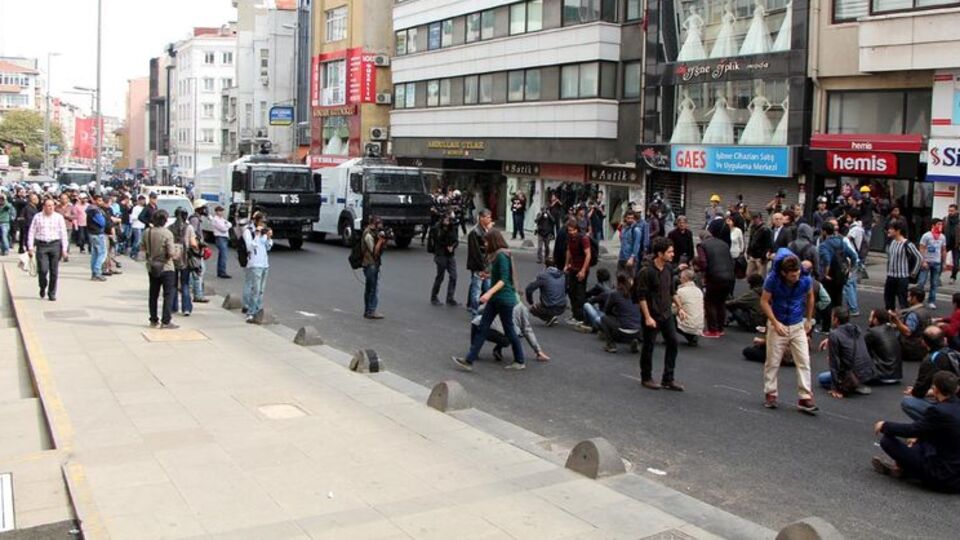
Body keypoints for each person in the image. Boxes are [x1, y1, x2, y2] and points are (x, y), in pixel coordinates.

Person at [872, 371, 960, 493]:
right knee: (918, 441)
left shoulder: (939, 411)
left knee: (887, 441)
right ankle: (905, 468)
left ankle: (905, 469)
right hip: (956, 474)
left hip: (942, 476)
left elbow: (911, 430)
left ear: (935, 389)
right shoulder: (954, 407)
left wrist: (884, 425)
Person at [453, 230, 526, 371]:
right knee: (483, 328)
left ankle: (520, 360)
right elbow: (498, 276)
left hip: (504, 299)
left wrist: (488, 293)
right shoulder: (497, 255)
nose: (485, 244)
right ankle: (469, 360)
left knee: (509, 330)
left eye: (486, 242)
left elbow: (504, 280)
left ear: (493, 241)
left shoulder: (501, 256)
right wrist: (487, 276)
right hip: (496, 299)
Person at [760, 249, 817, 413]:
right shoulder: (772, 279)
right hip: (779, 322)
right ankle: (771, 393)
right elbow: (764, 301)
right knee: (773, 361)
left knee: (804, 360)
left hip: (797, 323)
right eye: (793, 275)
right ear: (784, 273)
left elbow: (810, 296)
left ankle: (805, 397)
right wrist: (775, 323)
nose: (796, 277)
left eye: (798, 273)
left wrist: (808, 320)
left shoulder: (805, 279)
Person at [636, 237, 683, 391]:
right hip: (652, 314)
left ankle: (668, 378)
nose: (672, 254)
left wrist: (680, 307)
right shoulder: (646, 271)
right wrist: (648, 317)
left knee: (673, 343)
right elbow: (641, 296)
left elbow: (671, 291)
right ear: (660, 253)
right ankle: (646, 377)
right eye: (669, 252)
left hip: (666, 313)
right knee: (649, 346)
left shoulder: (669, 269)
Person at [900, 326, 960, 421]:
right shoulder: (955, 353)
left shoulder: (931, 360)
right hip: (955, 398)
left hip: (954, 408)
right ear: (944, 339)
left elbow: (919, 391)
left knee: (908, 402)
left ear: (924, 342)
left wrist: (914, 391)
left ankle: (933, 428)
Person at [816, 307, 877, 397]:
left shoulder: (834, 334)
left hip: (852, 373)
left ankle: (848, 384)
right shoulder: (856, 329)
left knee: (821, 378)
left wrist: (835, 387)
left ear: (836, 319)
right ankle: (855, 382)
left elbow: (834, 363)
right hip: (867, 373)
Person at [470, 302, 550, 363]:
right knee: (517, 332)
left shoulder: (496, 297)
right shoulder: (522, 308)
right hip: (503, 335)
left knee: (477, 322)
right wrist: (538, 351)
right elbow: (527, 330)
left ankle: (474, 351)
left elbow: (480, 309)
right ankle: (498, 349)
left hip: (481, 328)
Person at [26, 198, 70, 301]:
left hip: (55, 245)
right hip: (42, 245)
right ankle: (42, 286)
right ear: (44, 207)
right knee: (43, 270)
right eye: (48, 206)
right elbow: (31, 232)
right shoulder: (38, 217)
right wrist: (30, 247)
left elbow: (63, 233)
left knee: (54, 271)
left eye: (52, 206)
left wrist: (64, 249)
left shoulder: (58, 217)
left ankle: (52, 293)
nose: (50, 208)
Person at [695, 228, 735, 338]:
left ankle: (713, 330)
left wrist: (701, 272)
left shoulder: (702, 245)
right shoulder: (724, 244)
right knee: (721, 302)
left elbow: (703, 262)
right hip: (729, 277)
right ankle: (720, 328)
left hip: (715, 277)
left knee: (710, 302)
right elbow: (731, 260)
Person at [142, 210, 178, 329]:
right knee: (168, 294)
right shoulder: (167, 233)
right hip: (166, 266)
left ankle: (153, 319)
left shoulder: (147, 232)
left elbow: (143, 248)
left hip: (152, 265)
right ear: (165, 220)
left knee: (153, 293)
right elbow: (171, 252)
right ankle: (166, 320)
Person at [818, 221, 858, 318]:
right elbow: (853, 256)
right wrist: (850, 269)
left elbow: (827, 260)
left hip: (830, 275)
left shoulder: (824, 245)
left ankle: (827, 321)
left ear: (824, 231)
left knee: (826, 298)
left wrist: (826, 274)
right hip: (840, 274)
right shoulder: (841, 241)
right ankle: (839, 318)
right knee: (838, 297)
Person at [594, 274, 643, 353]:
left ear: (618, 282)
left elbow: (607, 310)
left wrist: (615, 313)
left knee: (604, 318)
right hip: (637, 329)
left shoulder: (615, 294)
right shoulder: (636, 294)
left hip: (622, 329)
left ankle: (611, 345)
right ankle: (636, 340)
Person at [242, 211, 273, 323]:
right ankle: (250, 313)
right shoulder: (248, 231)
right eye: (261, 222)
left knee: (261, 291)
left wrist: (268, 237)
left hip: (264, 264)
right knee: (255, 290)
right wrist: (257, 234)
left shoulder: (264, 232)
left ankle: (258, 310)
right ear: (256, 221)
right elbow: (250, 247)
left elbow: (268, 247)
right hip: (254, 264)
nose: (263, 225)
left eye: (265, 222)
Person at [884, 220, 921, 311]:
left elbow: (919, 257)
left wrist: (913, 272)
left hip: (902, 277)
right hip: (890, 276)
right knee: (888, 300)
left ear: (898, 230)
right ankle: (890, 319)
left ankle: (904, 321)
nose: (889, 230)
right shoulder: (892, 243)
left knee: (903, 301)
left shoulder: (907, 244)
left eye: (892, 229)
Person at [890, 287, 931, 364]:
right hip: (923, 348)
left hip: (910, 350)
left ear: (914, 298)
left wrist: (896, 321)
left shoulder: (913, 314)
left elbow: (908, 332)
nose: (907, 298)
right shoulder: (926, 311)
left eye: (909, 296)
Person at [168, 208, 197, 317]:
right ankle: (186, 308)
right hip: (185, 259)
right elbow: (193, 243)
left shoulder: (170, 228)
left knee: (173, 284)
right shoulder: (189, 228)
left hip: (172, 259)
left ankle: (173, 306)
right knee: (185, 284)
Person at [564, 219, 592, 324]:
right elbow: (568, 251)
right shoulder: (570, 238)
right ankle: (575, 314)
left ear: (577, 230)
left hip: (581, 269)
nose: (571, 232)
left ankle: (581, 317)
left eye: (572, 230)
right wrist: (566, 265)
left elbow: (588, 255)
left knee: (580, 294)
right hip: (573, 268)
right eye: (569, 231)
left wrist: (583, 270)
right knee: (571, 292)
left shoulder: (583, 238)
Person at [864, 309, 903, 384]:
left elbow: (863, 352)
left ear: (875, 319)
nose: (869, 319)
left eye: (871, 317)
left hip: (881, 375)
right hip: (896, 375)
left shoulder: (872, 332)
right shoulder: (892, 330)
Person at [525, 258, 567, 326]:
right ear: (555, 265)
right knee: (541, 304)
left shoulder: (543, 276)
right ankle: (552, 316)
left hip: (550, 306)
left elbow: (529, 289)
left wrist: (531, 302)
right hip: (562, 306)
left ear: (545, 265)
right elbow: (566, 289)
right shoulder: (562, 274)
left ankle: (550, 317)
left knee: (533, 309)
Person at [466, 209, 492, 315]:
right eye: (488, 217)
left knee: (487, 288)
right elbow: (476, 252)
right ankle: (475, 310)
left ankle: (483, 308)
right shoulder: (475, 232)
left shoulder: (487, 230)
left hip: (487, 265)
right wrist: (483, 267)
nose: (490, 219)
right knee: (476, 288)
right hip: (479, 266)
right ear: (481, 218)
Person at [918, 218, 948, 310]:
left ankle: (931, 301)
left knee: (934, 283)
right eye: (938, 224)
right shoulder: (926, 236)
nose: (940, 226)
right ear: (933, 225)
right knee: (921, 282)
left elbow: (943, 250)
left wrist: (944, 262)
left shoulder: (942, 237)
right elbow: (921, 248)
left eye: (941, 224)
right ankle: (918, 301)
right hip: (926, 262)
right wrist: (923, 261)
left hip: (937, 263)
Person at [431, 212, 459, 306]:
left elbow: (456, 240)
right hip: (441, 254)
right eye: (445, 219)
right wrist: (446, 245)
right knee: (440, 276)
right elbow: (438, 240)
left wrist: (453, 246)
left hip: (450, 254)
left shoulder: (453, 228)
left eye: (449, 219)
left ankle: (450, 298)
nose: (447, 221)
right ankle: (434, 297)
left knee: (454, 276)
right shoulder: (437, 228)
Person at [675, 268, 705, 345]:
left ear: (684, 278)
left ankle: (668, 337)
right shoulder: (699, 291)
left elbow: (674, 309)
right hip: (699, 325)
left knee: (667, 315)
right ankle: (692, 336)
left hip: (687, 323)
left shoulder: (681, 291)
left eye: (680, 277)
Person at [188, 200, 209, 303]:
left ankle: (193, 290)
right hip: (195, 250)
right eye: (204, 207)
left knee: (198, 272)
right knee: (198, 272)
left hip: (197, 250)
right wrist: (199, 244)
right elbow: (192, 234)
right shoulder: (195, 220)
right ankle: (198, 294)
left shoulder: (198, 219)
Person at [86, 193, 109, 282]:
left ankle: (94, 274)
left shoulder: (91, 209)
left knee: (95, 254)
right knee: (102, 253)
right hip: (97, 233)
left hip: (92, 233)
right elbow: (102, 222)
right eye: (99, 200)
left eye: (101, 200)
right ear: (95, 201)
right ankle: (97, 271)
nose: (101, 202)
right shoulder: (94, 210)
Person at [746, 212, 772, 278]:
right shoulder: (753, 227)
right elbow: (750, 240)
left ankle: (759, 287)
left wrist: (763, 257)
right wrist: (748, 252)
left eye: (755, 218)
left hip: (760, 257)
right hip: (753, 255)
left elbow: (768, 244)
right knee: (748, 274)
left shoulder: (765, 230)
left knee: (760, 277)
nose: (754, 220)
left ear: (760, 218)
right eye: (753, 218)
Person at [210, 206, 232, 278]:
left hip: (224, 238)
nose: (222, 212)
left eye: (222, 211)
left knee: (222, 255)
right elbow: (223, 229)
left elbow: (230, 224)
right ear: (216, 211)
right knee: (223, 256)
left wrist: (226, 225)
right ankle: (222, 272)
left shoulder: (222, 219)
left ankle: (220, 271)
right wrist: (226, 226)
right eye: (220, 211)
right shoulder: (215, 219)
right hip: (220, 238)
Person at [129, 196, 147, 261]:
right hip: (136, 226)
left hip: (142, 226)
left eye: (144, 200)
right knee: (137, 240)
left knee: (140, 241)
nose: (144, 202)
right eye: (142, 200)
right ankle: (133, 253)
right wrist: (139, 217)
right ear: (139, 201)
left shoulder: (144, 208)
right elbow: (132, 217)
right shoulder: (136, 208)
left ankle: (136, 253)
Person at [947, 204, 960, 284]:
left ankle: (953, 277)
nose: (950, 212)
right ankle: (936, 277)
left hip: (956, 245)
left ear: (956, 211)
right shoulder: (945, 219)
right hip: (946, 243)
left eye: (952, 211)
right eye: (949, 210)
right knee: (938, 260)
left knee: (955, 263)